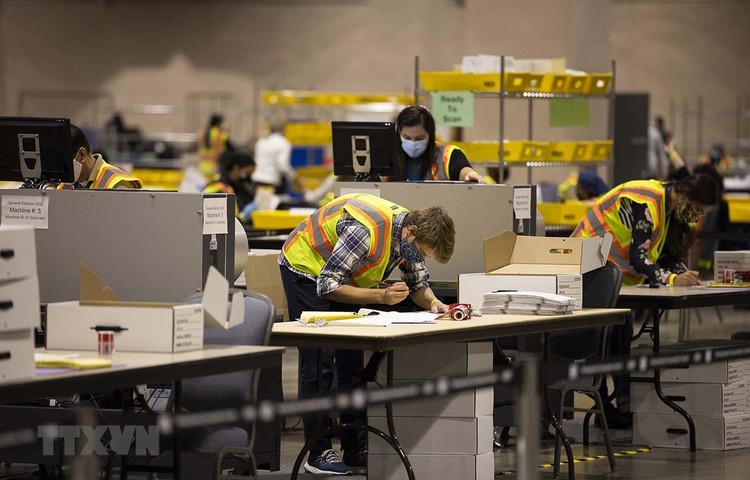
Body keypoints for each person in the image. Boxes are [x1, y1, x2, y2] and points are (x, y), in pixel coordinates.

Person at [278, 193, 455, 475]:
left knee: (352, 360)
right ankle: (317, 450)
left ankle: (355, 449)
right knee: (317, 360)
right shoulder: (368, 231)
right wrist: (381, 297)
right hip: (307, 269)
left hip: (343, 275)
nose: (422, 259)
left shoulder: (409, 238)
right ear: (411, 233)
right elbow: (327, 286)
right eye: (423, 253)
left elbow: (419, 286)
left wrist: (435, 304)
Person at [572, 173, 720, 428]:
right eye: (697, 210)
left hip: (616, 277)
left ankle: (623, 404)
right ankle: (601, 407)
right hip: (589, 267)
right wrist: (672, 279)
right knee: (601, 341)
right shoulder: (648, 203)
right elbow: (640, 258)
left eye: (702, 214)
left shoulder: (668, 207)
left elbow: (658, 254)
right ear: (685, 197)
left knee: (622, 336)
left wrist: (680, 272)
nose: (697, 218)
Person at [391, 105, 486, 183]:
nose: (413, 143)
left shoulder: (448, 154)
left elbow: (463, 170)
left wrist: (470, 175)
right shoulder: (388, 155)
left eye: (419, 138)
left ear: (430, 134)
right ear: (398, 134)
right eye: (407, 138)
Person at [56, 124, 143, 189]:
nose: (61, 170)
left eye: (64, 163)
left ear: (82, 155)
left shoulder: (118, 184)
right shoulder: (63, 187)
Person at [202, 150, 257, 221]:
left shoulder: (240, 187)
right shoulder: (217, 188)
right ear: (236, 168)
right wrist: (242, 217)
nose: (247, 179)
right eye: (246, 174)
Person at [252, 121, 303, 194]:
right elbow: (283, 166)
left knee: (258, 205)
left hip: (256, 181)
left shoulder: (261, 141)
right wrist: (294, 177)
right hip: (271, 183)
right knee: (268, 205)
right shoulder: (283, 143)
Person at [198, 114, 233, 178]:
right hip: (214, 165)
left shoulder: (202, 133)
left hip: (203, 164)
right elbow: (221, 150)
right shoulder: (220, 134)